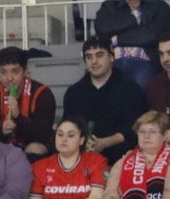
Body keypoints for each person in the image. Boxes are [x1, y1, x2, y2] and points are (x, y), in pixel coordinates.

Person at [62, 36, 146, 164]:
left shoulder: (130, 89)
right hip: (82, 154)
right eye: (89, 57)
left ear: (111, 57)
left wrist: (104, 143)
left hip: (122, 155)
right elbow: (68, 126)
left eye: (99, 55)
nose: (94, 61)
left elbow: (134, 128)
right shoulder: (74, 92)